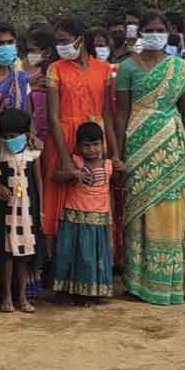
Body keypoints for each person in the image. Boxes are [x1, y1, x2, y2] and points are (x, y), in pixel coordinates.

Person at [116, 11, 185, 305]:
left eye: (159, 29)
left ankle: (168, 282)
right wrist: (119, 153)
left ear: (169, 31)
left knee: (170, 211)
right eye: (149, 30)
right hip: (137, 143)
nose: (154, 34)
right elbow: (121, 113)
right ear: (140, 33)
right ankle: (137, 283)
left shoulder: (183, 68)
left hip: (171, 143)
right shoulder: (126, 68)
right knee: (138, 211)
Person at [42, 17, 118, 250]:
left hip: (95, 138)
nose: (60, 46)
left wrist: (113, 153)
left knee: (93, 193)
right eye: (57, 42)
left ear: (80, 40)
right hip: (63, 137)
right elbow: (53, 116)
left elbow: (107, 114)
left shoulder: (104, 69)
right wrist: (66, 161)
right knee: (60, 193)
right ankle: (56, 257)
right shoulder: (55, 69)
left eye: (64, 41)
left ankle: (90, 252)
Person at [52, 122, 115, 305]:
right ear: (79, 147)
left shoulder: (108, 165)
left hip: (98, 219)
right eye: (86, 146)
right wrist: (73, 174)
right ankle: (67, 292)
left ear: (102, 144)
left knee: (92, 257)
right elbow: (55, 177)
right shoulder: (75, 162)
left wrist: (123, 170)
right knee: (71, 255)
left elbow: (119, 184)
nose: (92, 149)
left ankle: (91, 293)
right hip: (74, 217)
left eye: (96, 144)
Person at [0, 108, 44, 313]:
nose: (9, 140)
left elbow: (38, 181)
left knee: (24, 254)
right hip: (5, 211)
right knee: (6, 253)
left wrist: (39, 209)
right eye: (5, 137)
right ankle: (6, 296)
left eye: (13, 137)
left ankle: (22, 296)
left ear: (25, 134)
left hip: (26, 210)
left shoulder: (33, 152)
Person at [0, 23, 31, 112]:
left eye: (10, 42)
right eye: (0, 43)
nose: (6, 46)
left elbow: (28, 113)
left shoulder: (19, 77)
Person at [22, 24, 55, 145]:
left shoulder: (58, 73)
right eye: (27, 51)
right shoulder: (26, 77)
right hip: (35, 136)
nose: (29, 55)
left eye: (32, 50)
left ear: (48, 51)